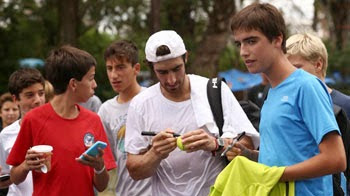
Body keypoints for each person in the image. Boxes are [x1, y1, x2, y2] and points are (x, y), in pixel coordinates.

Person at [229, 3, 346, 196]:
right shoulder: (271, 92)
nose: (243, 51)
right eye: (239, 43)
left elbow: (336, 159)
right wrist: (248, 156)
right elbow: (284, 159)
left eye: (251, 41)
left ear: (277, 39)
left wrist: (276, 175)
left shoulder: (306, 86)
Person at [125, 30, 260, 196]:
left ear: (186, 57)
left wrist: (215, 144)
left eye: (176, 69)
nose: (172, 79)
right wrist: (155, 153)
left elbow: (248, 145)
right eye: (163, 72)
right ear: (151, 67)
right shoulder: (141, 105)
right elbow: (134, 171)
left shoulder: (214, 90)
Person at [6, 45, 116, 196]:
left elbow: (102, 186)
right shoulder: (33, 120)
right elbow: (14, 177)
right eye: (91, 78)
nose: (95, 84)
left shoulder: (93, 120)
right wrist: (26, 165)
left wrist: (99, 167)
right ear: (73, 84)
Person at [98, 40, 150, 196]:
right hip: (124, 191)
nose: (114, 75)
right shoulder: (105, 110)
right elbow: (109, 159)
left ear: (136, 69)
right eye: (109, 68)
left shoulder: (152, 100)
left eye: (120, 67)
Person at [0, 68, 46, 196]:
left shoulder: (58, 128)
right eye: (30, 95)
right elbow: (6, 176)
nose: (38, 100)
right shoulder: (6, 135)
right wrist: (24, 166)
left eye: (41, 93)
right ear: (16, 99)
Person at [286, 33, 350, 119]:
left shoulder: (346, 105)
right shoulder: (287, 105)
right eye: (287, 68)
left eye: (296, 67)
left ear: (318, 65)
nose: (290, 74)